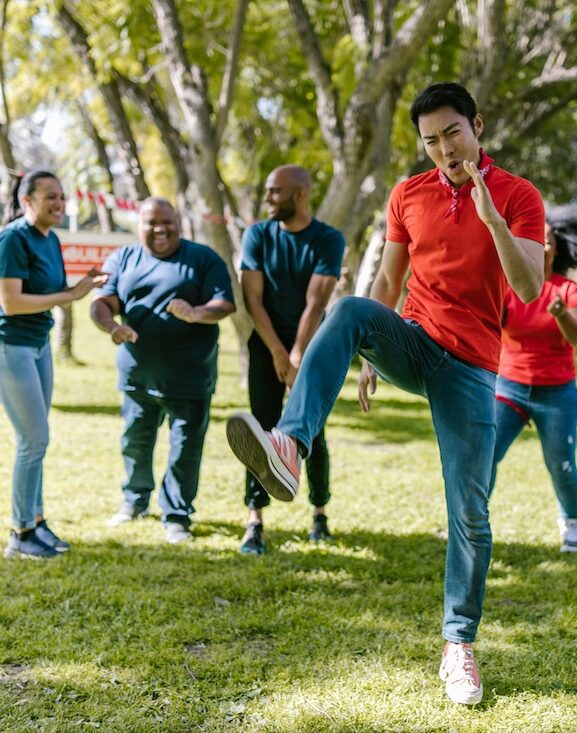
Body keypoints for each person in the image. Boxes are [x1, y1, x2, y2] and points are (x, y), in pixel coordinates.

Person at [226, 82, 545, 705]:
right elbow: (391, 278)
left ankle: (459, 644)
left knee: (470, 510)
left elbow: (530, 288)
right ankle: (289, 448)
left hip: (472, 366)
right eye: (430, 141)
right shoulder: (409, 193)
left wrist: (492, 220)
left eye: (453, 134)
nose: (444, 151)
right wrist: (370, 344)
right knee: (347, 310)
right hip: (414, 341)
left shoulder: (519, 196)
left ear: (477, 126)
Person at [91, 197, 235, 544]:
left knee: (185, 447)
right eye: (151, 222)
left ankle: (176, 515)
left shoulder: (202, 258)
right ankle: (134, 502)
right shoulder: (123, 258)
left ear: (178, 222)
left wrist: (196, 312)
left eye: (167, 222)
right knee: (135, 442)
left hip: (190, 377)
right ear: (138, 224)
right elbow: (102, 303)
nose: (160, 229)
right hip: (137, 375)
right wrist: (113, 327)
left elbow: (224, 303)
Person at [0, 171, 108, 558]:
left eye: (62, 197)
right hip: (11, 347)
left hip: (40, 345)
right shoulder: (12, 238)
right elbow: (10, 303)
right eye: (50, 197)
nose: (59, 203)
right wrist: (72, 292)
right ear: (27, 200)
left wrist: (81, 286)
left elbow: (51, 292)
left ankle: (37, 521)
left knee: (39, 439)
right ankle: (20, 535)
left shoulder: (52, 239)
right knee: (34, 440)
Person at [238, 165, 345, 555]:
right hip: (265, 345)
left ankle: (319, 514)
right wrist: (278, 353)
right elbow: (252, 299)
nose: (268, 198)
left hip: (313, 348)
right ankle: (255, 522)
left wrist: (299, 353)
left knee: (311, 432)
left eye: (275, 191)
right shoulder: (258, 235)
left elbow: (316, 301)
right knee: (258, 433)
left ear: (300, 194)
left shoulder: (328, 239)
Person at [490, 204, 577, 552]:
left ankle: (571, 525)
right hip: (509, 388)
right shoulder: (508, 285)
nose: (542, 245)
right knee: (484, 454)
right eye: (536, 239)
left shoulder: (568, 290)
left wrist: (562, 314)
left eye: (548, 240)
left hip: (556, 392)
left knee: (561, 464)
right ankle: (472, 520)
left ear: (558, 247)